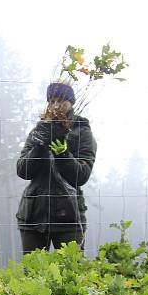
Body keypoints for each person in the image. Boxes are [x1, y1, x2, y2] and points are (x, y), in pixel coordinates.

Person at [16, 82, 97, 254]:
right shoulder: (39, 130)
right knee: (32, 274)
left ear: (71, 103)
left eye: (61, 101)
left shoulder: (83, 132)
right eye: (52, 101)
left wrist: (63, 154)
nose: (56, 105)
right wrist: (39, 146)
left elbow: (82, 175)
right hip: (33, 215)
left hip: (69, 217)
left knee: (71, 274)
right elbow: (23, 170)